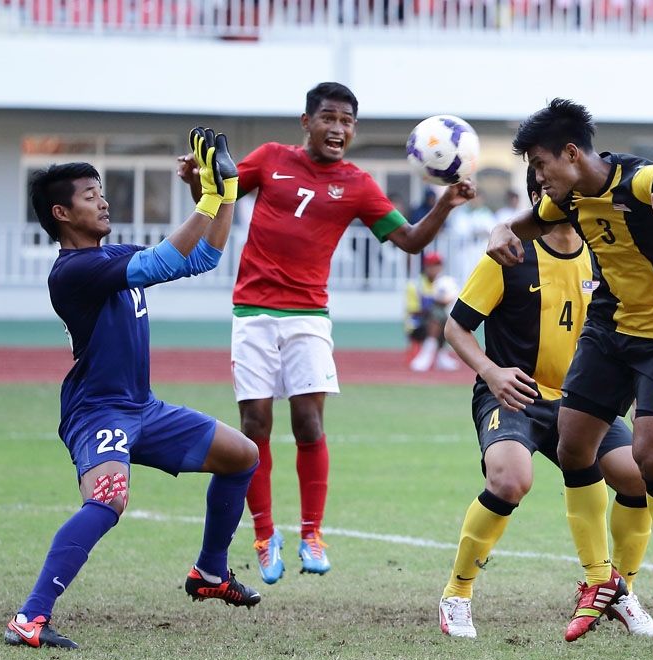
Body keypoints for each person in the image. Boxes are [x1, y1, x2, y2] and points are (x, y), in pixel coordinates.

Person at [178, 82, 475, 585]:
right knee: (254, 426)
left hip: (309, 317)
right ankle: (265, 533)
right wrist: (195, 178)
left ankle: (312, 533)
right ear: (307, 122)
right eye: (329, 118)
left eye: (347, 122)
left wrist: (444, 205)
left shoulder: (357, 184)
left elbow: (407, 240)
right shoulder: (270, 158)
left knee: (310, 424)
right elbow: (217, 194)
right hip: (252, 312)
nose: (338, 129)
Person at [5, 130, 261, 650]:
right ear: (61, 213)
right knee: (108, 499)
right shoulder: (73, 271)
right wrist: (209, 196)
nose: (102, 200)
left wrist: (227, 192)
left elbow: (202, 258)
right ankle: (29, 618)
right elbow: (163, 261)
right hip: (98, 412)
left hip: (142, 408)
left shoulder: (109, 255)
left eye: (101, 191)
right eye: (89, 195)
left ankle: (210, 575)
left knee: (242, 456)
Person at [487, 99, 653, 642]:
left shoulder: (638, 180)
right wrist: (501, 230)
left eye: (540, 164)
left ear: (572, 153)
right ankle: (599, 580)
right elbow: (528, 223)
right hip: (607, 329)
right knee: (573, 447)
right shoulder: (569, 198)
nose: (537, 177)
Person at [439, 168, 653, 639]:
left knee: (640, 474)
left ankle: (616, 590)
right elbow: (455, 327)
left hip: (582, 401)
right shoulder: (509, 255)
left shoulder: (601, 259)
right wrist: (491, 373)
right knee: (510, 479)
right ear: (539, 198)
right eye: (560, 193)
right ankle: (457, 594)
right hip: (515, 396)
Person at [405, 251, 460, 371]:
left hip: (440, 323)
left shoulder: (444, 283)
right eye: (431, 265)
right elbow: (413, 311)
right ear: (425, 266)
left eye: (437, 265)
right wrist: (436, 301)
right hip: (417, 325)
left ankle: (440, 355)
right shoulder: (415, 285)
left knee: (449, 318)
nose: (435, 268)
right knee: (437, 314)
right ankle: (429, 353)